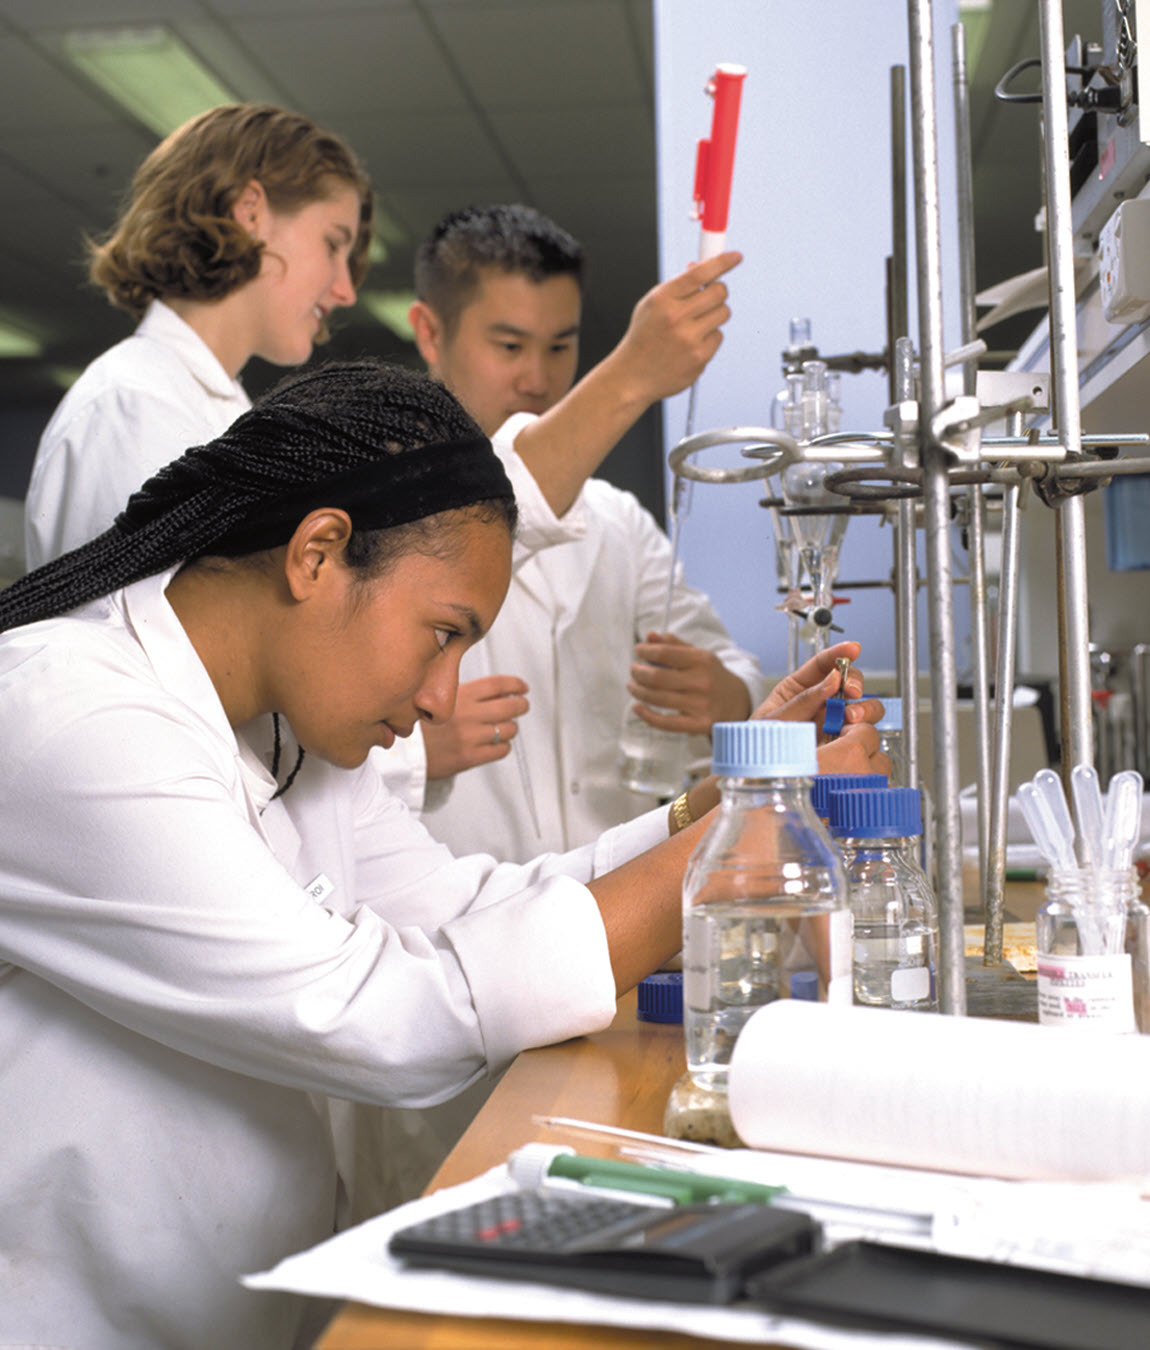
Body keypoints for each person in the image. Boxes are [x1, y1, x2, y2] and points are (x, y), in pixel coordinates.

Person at [0, 358, 885, 1347]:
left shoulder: (285, 729)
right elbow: (377, 1016)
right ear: (318, 553)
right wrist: (734, 845)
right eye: (441, 633)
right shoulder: (74, 718)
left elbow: (461, 909)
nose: (437, 694)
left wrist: (705, 813)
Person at [406, 203, 766, 861]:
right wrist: (408, 756)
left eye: (560, 346)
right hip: (446, 924)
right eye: (509, 346)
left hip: (613, 918)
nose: (537, 379)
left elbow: (736, 669)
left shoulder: (617, 519)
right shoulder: (381, 498)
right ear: (430, 333)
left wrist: (726, 694)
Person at [23, 102, 373, 569]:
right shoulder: (134, 405)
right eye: (333, 244)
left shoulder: (213, 407)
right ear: (251, 213)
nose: (346, 290)